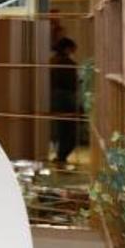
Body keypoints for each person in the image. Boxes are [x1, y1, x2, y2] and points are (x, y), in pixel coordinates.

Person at [49, 36, 79, 166]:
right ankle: (62, 155)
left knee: (62, 129)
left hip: (56, 96)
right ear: (67, 48)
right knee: (69, 129)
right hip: (66, 98)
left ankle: (61, 155)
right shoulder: (68, 63)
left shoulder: (52, 61)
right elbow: (73, 83)